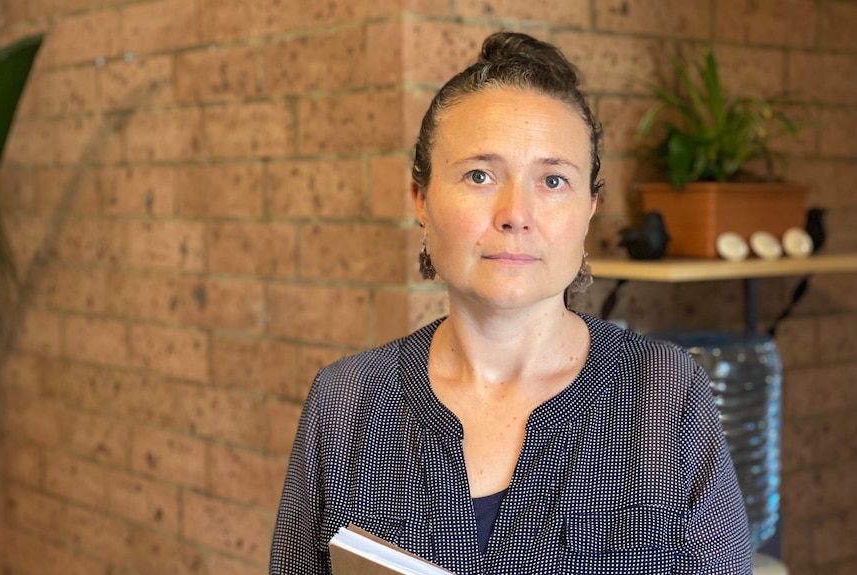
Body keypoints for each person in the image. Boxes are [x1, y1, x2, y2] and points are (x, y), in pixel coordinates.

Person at [269, 32, 752, 575]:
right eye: (480, 175)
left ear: (589, 210)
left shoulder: (667, 394)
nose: (515, 213)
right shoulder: (345, 402)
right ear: (421, 200)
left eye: (552, 179)